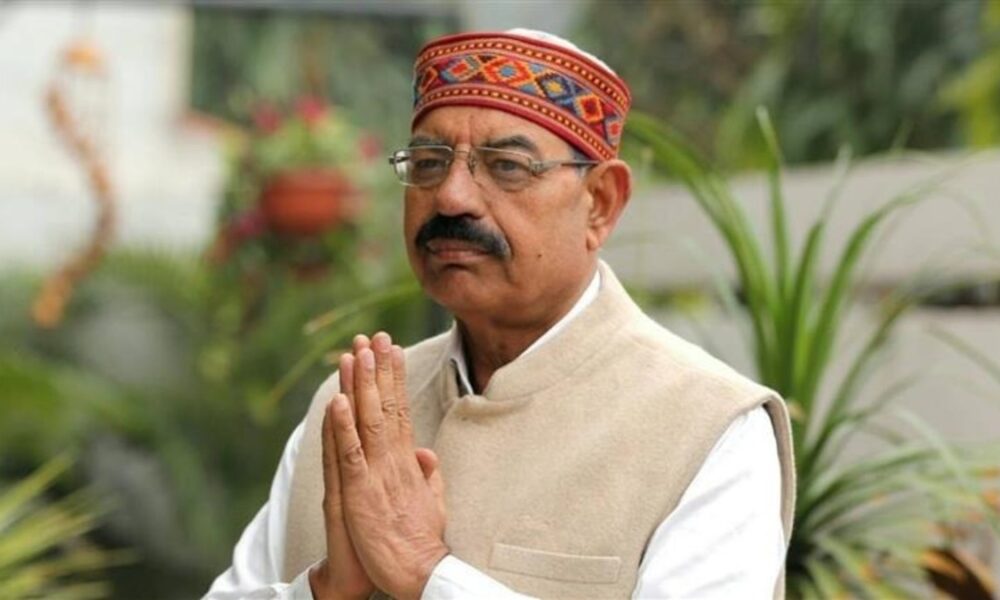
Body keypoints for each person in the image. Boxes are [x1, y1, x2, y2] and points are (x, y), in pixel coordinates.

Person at [205, 29, 795, 600]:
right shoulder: (350, 410)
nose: (452, 196)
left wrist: (427, 573)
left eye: (508, 166)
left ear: (600, 203)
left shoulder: (705, 426)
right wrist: (326, 591)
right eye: (429, 162)